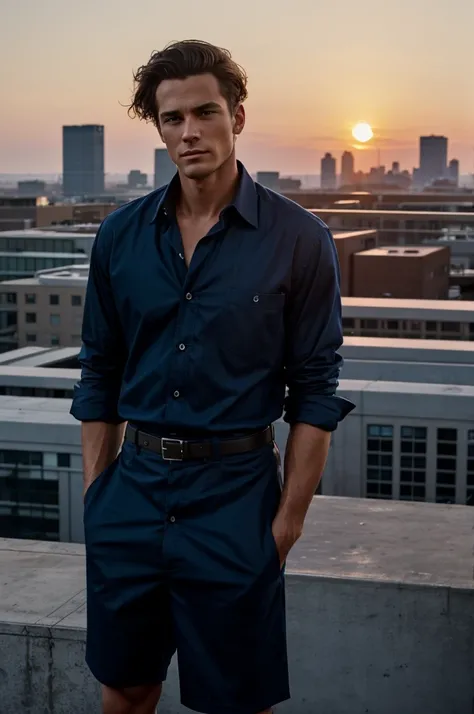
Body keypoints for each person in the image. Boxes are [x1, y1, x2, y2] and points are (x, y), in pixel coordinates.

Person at [71, 39, 354, 714]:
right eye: (173, 118)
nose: (190, 131)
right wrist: (99, 497)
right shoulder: (120, 236)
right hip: (132, 496)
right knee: (126, 690)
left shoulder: (298, 239)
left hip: (236, 500)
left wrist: (286, 525)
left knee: (234, 701)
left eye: (206, 111)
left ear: (238, 116)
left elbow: (315, 392)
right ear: (159, 127)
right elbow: (99, 372)